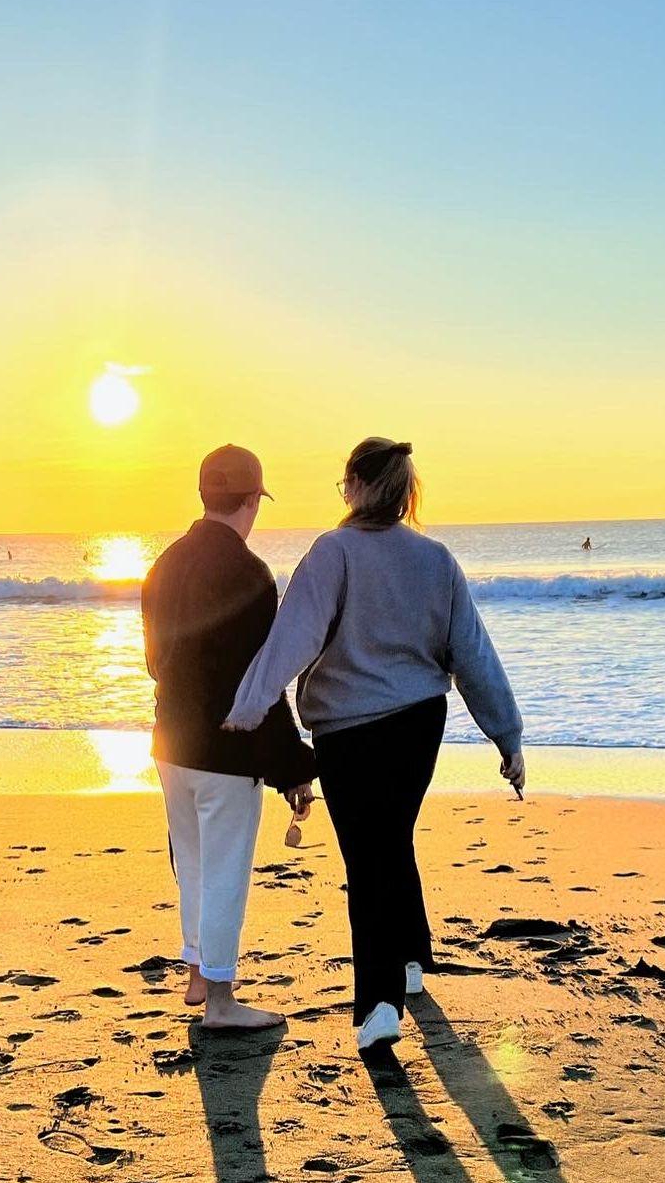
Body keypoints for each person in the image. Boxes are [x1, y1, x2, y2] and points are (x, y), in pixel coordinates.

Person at [224, 437, 523, 1053]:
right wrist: (508, 735)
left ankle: (379, 1000)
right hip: (419, 724)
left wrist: (249, 705)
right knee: (392, 837)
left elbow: (294, 636)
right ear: (406, 492)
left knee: (368, 856)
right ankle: (411, 959)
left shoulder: (333, 553)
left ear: (356, 486)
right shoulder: (436, 559)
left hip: (352, 730)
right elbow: (472, 654)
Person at [141, 445, 316, 1031]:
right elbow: (262, 684)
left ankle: (198, 972)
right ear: (249, 500)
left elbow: (153, 663)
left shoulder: (161, 565)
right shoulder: (250, 574)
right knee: (224, 871)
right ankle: (219, 1000)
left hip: (170, 742)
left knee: (190, 863)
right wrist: (292, 768)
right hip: (225, 749)